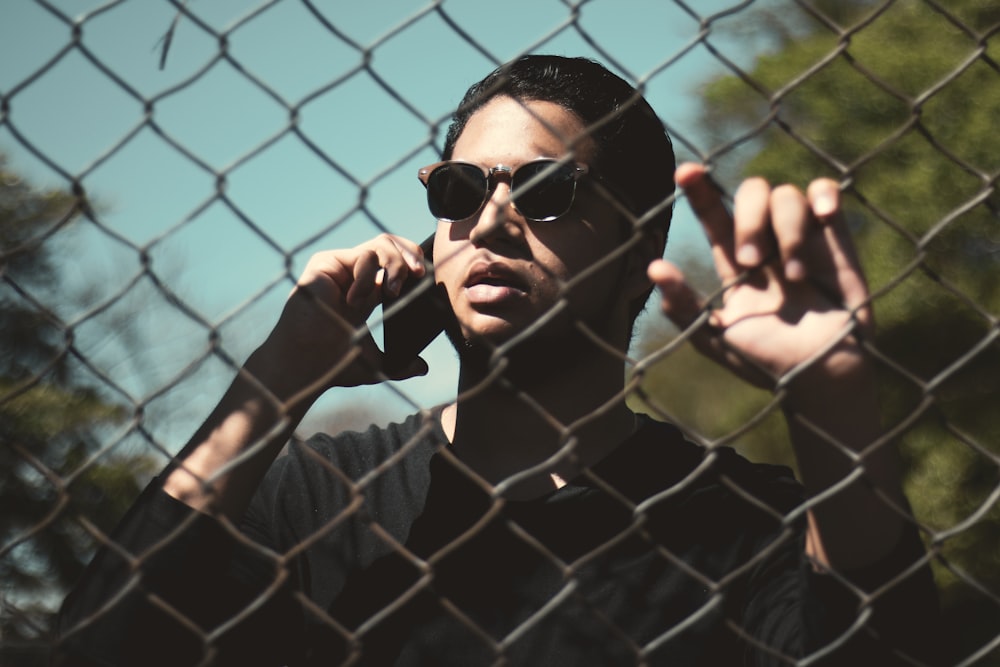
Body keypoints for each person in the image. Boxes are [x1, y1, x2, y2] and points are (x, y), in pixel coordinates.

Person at [54, 55, 939, 666]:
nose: (489, 223)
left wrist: (831, 399)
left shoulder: (742, 519)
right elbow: (101, 646)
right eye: (460, 190)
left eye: (550, 190)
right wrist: (270, 386)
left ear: (641, 252)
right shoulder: (311, 497)